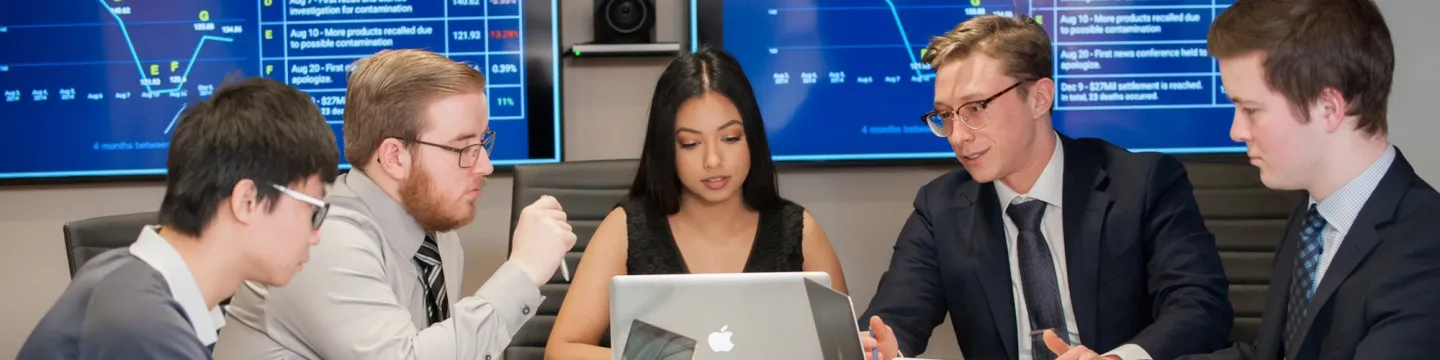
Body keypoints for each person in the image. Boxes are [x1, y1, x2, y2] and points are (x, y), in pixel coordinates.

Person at [859, 15, 1234, 360]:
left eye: (975, 108)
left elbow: (1200, 307)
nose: (957, 136)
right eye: (945, 115)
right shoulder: (940, 207)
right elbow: (893, 317)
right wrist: (878, 348)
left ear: (1039, 98)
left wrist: (1120, 359)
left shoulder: (1143, 183)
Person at [213, 49, 577, 359]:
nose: (485, 165)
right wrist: (523, 271)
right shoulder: (321, 239)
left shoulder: (436, 233)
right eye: (464, 147)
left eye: (483, 141)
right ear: (394, 157)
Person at [542, 45, 850, 360]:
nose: (713, 160)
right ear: (666, 148)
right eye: (690, 143)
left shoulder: (798, 232)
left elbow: (844, 352)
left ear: (752, 138)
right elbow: (561, 351)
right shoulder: (627, 228)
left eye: (730, 138)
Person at [1175, 0, 1440, 359]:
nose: (1237, 131)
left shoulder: (1426, 248)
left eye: (1251, 110)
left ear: (1328, 107)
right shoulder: (1311, 219)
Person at [16, 77, 340, 359]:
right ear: (247, 200)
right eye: (311, 208)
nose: (315, 235)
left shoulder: (119, 272)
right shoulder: (144, 328)